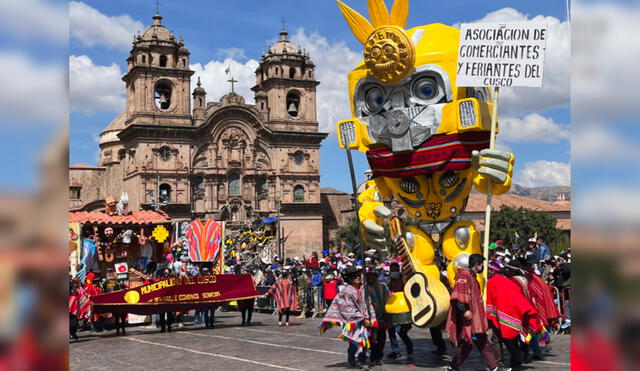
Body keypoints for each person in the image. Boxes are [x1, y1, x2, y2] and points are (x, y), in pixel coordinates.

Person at [446, 254, 505, 371]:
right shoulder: (464, 275)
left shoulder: (472, 276)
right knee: (471, 343)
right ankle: (453, 366)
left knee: (480, 342)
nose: (483, 267)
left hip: (474, 320)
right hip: (467, 319)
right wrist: (464, 311)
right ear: (477, 265)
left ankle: (494, 367)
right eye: (482, 265)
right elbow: (456, 296)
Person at [320, 265, 377, 370]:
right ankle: (351, 358)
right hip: (352, 321)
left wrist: (372, 318)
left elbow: (368, 304)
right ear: (350, 278)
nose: (358, 277)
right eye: (355, 276)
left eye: (359, 275)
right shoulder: (345, 292)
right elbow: (347, 309)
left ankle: (362, 361)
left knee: (364, 341)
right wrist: (362, 319)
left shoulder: (364, 289)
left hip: (365, 319)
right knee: (354, 343)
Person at [487, 263, 541, 370]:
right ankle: (516, 360)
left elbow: (490, 299)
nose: (488, 271)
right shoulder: (507, 281)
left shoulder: (492, 282)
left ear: (493, 271)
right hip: (511, 314)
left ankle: (500, 363)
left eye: (489, 270)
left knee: (496, 339)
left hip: (499, 314)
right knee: (511, 339)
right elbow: (517, 296)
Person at [384, 268, 414, 360]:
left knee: (401, 332)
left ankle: (410, 349)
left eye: (398, 281)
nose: (396, 284)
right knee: (391, 333)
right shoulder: (388, 289)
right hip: (391, 314)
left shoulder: (406, 290)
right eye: (393, 281)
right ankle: (395, 351)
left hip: (403, 315)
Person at [365, 266, 389, 366]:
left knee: (382, 338)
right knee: (371, 339)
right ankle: (373, 355)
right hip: (370, 318)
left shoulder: (382, 286)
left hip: (381, 317)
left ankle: (379, 356)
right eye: (368, 275)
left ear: (375, 276)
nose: (370, 277)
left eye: (372, 275)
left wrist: (388, 315)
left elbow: (387, 299)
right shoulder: (364, 287)